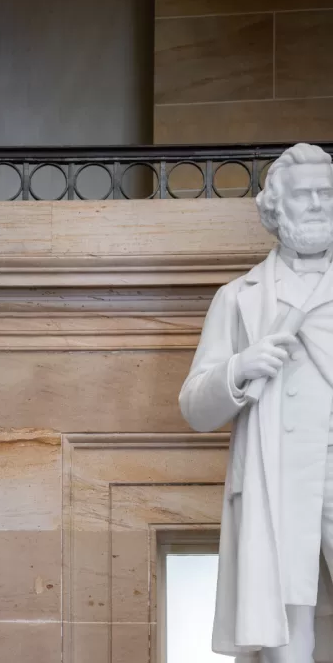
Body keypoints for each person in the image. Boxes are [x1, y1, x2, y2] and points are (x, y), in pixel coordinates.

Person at [180, 143, 333, 662]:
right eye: (304, 194)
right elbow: (195, 408)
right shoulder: (238, 297)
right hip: (278, 479)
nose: (317, 203)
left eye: (326, 193)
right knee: (287, 641)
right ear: (276, 206)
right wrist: (239, 367)